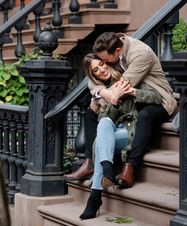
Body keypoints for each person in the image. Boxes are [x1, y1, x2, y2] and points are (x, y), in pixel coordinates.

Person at [65, 31, 177, 187]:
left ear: (117, 51)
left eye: (104, 60)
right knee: (92, 112)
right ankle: (90, 161)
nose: (104, 64)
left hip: (158, 100)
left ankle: (130, 166)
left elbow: (121, 87)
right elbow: (91, 79)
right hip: (131, 101)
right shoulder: (114, 50)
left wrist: (106, 96)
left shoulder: (140, 53)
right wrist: (101, 92)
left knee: (144, 116)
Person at [79, 53, 162, 220]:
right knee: (103, 124)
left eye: (101, 64)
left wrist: (132, 92)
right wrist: (112, 98)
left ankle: (95, 196)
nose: (101, 69)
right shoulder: (103, 93)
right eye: (96, 70)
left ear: (107, 62)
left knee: (99, 145)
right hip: (114, 132)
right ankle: (107, 168)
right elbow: (105, 119)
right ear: (94, 75)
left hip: (133, 131)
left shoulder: (129, 77)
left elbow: (157, 97)